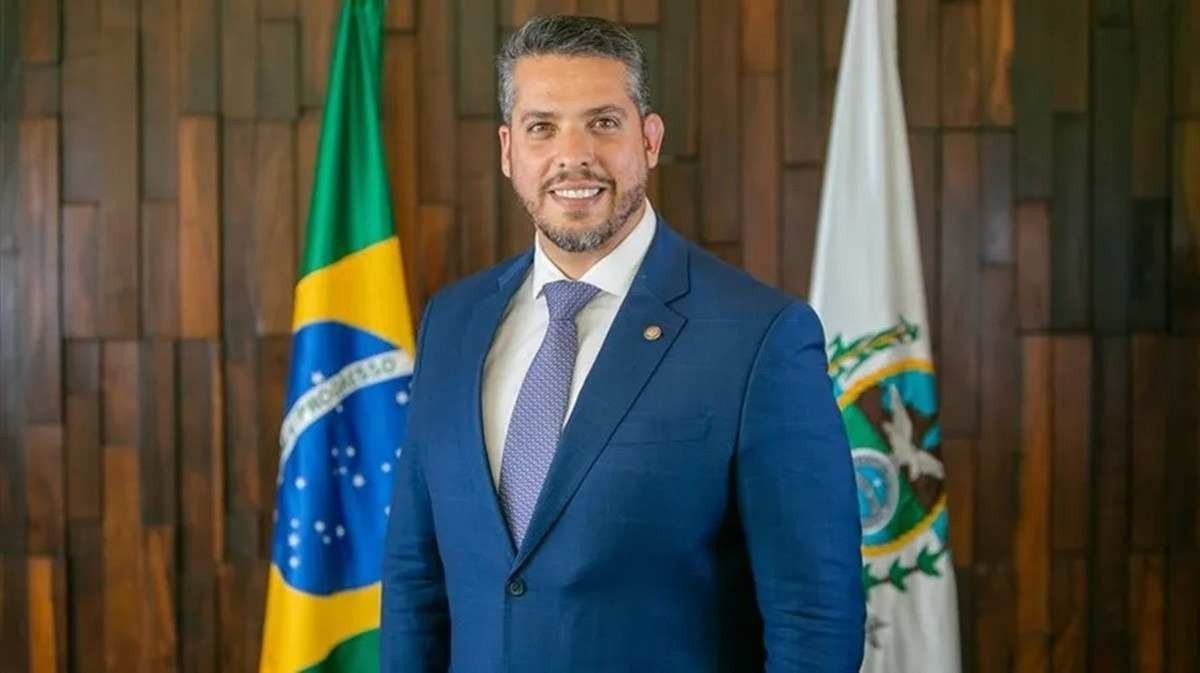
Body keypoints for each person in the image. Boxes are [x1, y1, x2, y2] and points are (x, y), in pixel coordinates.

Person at [381, 14, 864, 673]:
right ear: (507, 150)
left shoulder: (761, 338)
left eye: (603, 122)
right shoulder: (452, 322)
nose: (573, 155)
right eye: (542, 126)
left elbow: (814, 617)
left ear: (650, 140)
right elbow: (414, 577)